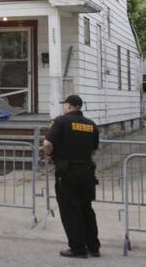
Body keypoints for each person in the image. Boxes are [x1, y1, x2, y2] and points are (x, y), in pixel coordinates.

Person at [43, 94, 101, 259]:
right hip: (87, 172)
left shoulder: (60, 121)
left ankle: (77, 248)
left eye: (65, 105)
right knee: (86, 209)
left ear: (68, 106)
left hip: (67, 172)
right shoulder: (91, 125)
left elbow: (47, 144)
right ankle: (93, 246)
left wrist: (49, 155)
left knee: (70, 210)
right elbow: (94, 149)